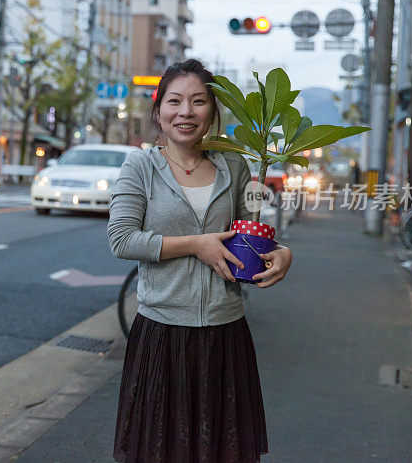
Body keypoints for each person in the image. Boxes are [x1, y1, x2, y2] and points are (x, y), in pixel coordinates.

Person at [108, 59, 293, 462]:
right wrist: (196, 244)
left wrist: (282, 253)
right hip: (162, 334)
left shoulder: (235, 167)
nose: (185, 112)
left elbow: (253, 235)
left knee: (222, 451)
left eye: (198, 101)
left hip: (225, 333)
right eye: (174, 101)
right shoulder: (139, 166)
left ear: (213, 110)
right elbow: (122, 239)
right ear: (158, 111)